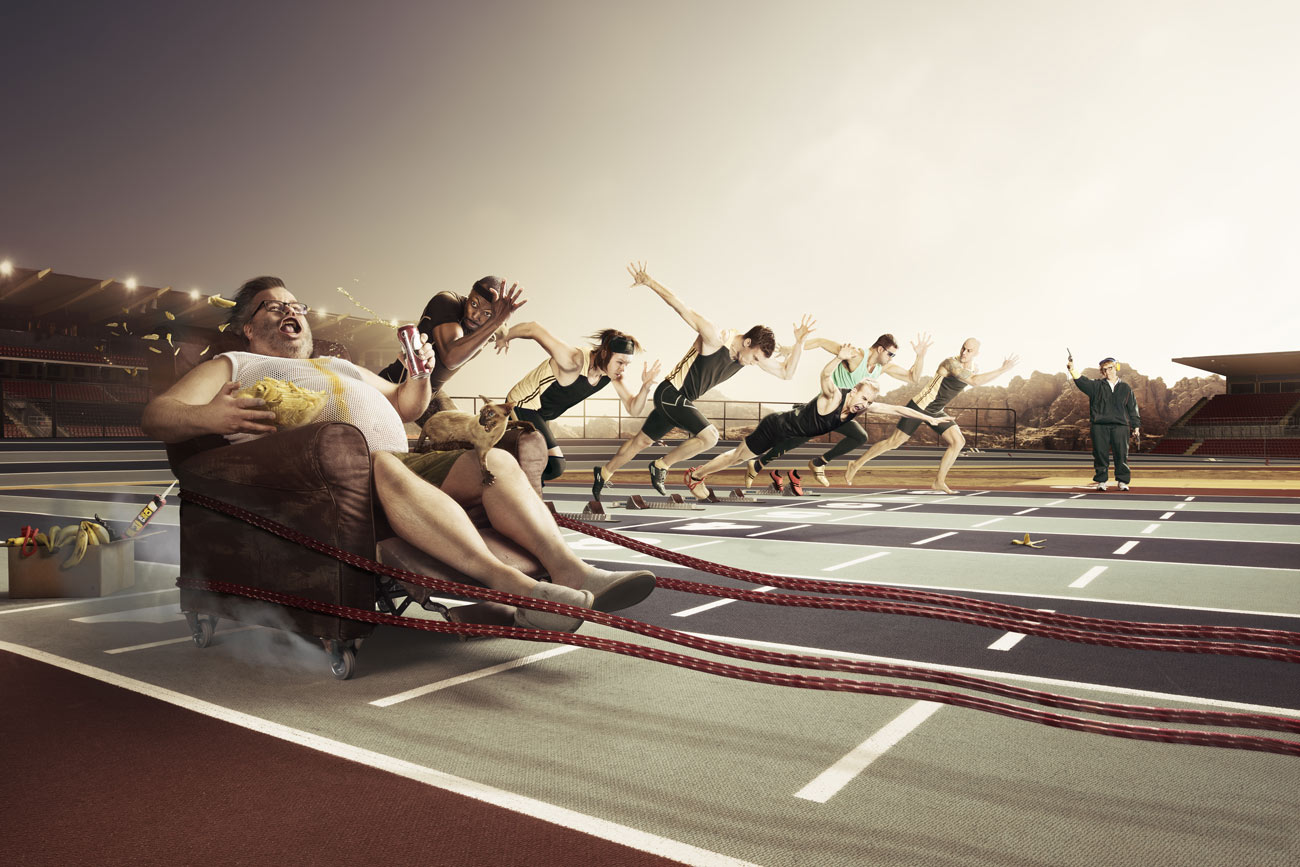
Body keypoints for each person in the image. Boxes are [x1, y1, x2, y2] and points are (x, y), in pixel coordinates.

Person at [142, 276, 654, 632]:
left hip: (400, 470)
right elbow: (159, 414)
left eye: (296, 306)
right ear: (248, 328)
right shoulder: (236, 362)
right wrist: (211, 417)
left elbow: (408, 406)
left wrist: (421, 374)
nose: (291, 312)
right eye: (275, 307)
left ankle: (570, 570)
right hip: (326, 484)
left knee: (494, 461)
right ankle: (512, 587)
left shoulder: (335, 365)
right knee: (383, 461)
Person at [591, 262, 815, 500]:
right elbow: (681, 306)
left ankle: (603, 473)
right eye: (755, 358)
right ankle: (661, 466)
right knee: (710, 437)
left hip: (679, 401)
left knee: (641, 441)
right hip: (671, 393)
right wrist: (649, 282)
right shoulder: (715, 337)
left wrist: (799, 343)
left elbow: (786, 373)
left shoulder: (748, 357)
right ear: (747, 343)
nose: (754, 364)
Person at [682, 345, 953, 498]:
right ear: (855, 390)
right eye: (863, 398)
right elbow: (825, 376)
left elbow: (901, 411)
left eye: (869, 402)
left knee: (739, 458)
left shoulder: (862, 405)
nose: (864, 404)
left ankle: (698, 474)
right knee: (737, 457)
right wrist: (838, 358)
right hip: (777, 426)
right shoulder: (835, 395)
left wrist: (930, 417)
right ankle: (695, 475)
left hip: (792, 432)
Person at [744, 332, 933, 490]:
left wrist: (921, 356)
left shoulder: (881, 368)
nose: (891, 359)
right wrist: (791, 350)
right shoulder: (857, 355)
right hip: (824, 408)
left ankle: (819, 462)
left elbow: (913, 377)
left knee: (859, 436)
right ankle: (758, 463)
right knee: (796, 439)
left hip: (843, 414)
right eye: (890, 354)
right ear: (880, 349)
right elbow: (820, 342)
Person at [844, 338, 1019, 494]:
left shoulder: (972, 367)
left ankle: (938, 481)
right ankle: (855, 464)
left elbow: (976, 377)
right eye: (963, 348)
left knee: (958, 442)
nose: (964, 352)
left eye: (969, 350)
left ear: (977, 354)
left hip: (936, 409)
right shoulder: (951, 363)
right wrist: (1003, 369)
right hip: (921, 405)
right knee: (894, 442)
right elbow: (974, 381)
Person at [498, 323, 662, 483]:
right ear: (604, 353)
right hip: (521, 404)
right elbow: (533, 329)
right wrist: (505, 335)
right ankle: (508, 482)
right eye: (620, 362)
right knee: (555, 465)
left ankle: (518, 488)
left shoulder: (612, 375)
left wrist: (645, 387)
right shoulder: (574, 360)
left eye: (627, 364)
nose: (623, 369)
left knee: (539, 462)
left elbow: (633, 409)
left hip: (541, 414)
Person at [377, 276, 526, 420]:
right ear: (469, 295)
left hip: (429, 395)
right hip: (394, 388)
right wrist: (495, 321)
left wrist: (503, 337)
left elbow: (503, 330)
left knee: (465, 437)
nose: (475, 315)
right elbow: (450, 357)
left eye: (487, 313)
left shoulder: (495, 326)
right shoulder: (446, 302)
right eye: (474, 304)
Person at [1068, 354, 1141, 491]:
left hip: (1121, 426)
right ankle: (1101, 481)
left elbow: (1132, 408)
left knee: (1121, 455)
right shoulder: (1096, 386)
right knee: (1100, 454)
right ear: (1102, 372)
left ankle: (1122, 481)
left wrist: (1136, 426)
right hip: (1099, 426)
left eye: (1111, 367)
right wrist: (1072, 369)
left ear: (1116, 367)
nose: (1109, 371)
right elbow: (1081, 381)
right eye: (1105, 369)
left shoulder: (1126, 388)